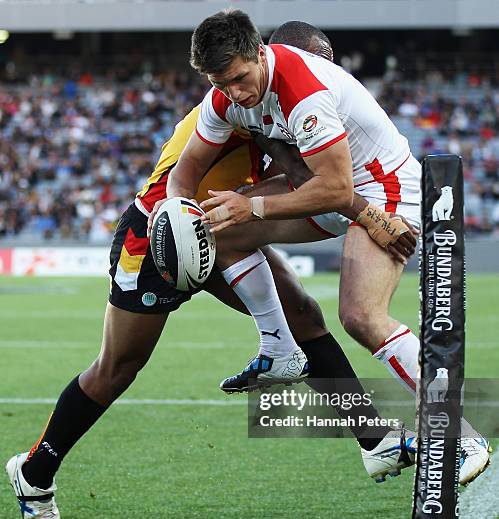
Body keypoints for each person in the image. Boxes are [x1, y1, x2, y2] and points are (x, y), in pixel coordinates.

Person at [6, 42, 418, 519]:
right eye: (319, 60)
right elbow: (310, 180)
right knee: (118, 367)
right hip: (160, 234)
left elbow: (312, 181)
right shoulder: (250, 101)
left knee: (302, 314)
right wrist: (373, 216)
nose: (324, 72)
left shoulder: (284, 101)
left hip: (224, 222)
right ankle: (34, 471)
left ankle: (374, 438)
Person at [155, 12, 490, 484]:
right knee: (217, 230)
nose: (234, 93)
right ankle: (280, 347)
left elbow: (336, 190)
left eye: (238, 79)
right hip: (322, 189)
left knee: (360, 316)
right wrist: (176, 212)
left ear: (259, 54)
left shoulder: (302, 90)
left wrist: (251, 209)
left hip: (383, 190)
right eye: (221, 83)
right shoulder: (224, 98)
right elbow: (184, 172)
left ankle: (463, 433)